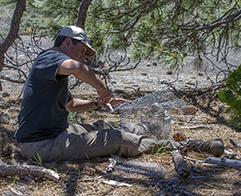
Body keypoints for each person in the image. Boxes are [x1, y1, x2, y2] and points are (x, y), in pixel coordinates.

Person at [15, 26, 176, 163]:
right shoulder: (49, 57)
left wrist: (98, 102)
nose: (83, 57)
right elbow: (78, 68)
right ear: (67, 42)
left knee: (104, 125)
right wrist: (102, 87)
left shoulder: (54, 71)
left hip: (56, 134)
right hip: (41, 145)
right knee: (115, 138)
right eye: (81, 50)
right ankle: (173, 146)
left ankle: (147, 129)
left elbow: (70, 105)